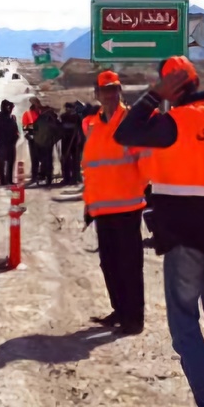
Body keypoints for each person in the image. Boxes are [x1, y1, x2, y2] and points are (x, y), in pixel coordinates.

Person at [114, 56, 204, 407]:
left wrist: (152, 96)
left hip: (185, 239)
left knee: (185, 324)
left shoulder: (174, 123)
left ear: (172, 88)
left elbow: (126, 132)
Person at [82, 70, 149, 335]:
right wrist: (89, 202)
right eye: (104, 90)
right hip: (101, 208)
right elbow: (91, 167)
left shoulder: (130, 121)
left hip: (128, 206)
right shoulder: (92, 125)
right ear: (97, 94)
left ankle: (134, 319)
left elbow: (145, 163)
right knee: (109, 263)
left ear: (120, 91)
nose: (109, 95)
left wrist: (136, 190)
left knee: (130, 265)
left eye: (114, 89)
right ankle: (119, 311)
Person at [31, 104, 61, 186]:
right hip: (46, 143)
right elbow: (57, 129)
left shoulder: (39, 119)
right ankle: (47, 176)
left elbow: (33, 130)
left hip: (40, 143)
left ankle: (44, 176)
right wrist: (55, 139)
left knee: (43, 160)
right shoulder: (50, 120)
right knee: (48, 160)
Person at [0, 99, 19, 185]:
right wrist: (2, 137)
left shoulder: (13, 117)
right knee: (2, 160)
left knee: (11, 160)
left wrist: (16, 137)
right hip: (2, 142)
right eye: (8, 106)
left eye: (10, 107)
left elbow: (16, 129)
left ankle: (9, 179)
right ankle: (3, 181)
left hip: (11, 142)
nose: (9, 108)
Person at [59, 102, 85, 186]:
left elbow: (81, 130)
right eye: (66, 109)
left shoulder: (77, 117)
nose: (67, 110)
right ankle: (67, 178)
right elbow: (61, 128)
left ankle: (75, 178)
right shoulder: (63, 117)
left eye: (69, 108)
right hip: (66, 141)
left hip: (75, 142)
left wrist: (80, 139)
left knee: (75, 160)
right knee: (65, 159)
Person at [22, 98, 43, 184]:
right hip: (33, 138)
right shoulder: (27, 114)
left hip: (42, 138)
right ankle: (35, 176)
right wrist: (29, 132)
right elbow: (24, 126)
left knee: (42, 158)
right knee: (35, 158)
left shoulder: (41, 114)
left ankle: (41, 175)